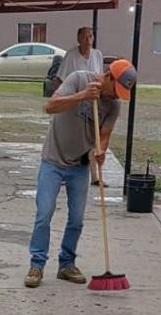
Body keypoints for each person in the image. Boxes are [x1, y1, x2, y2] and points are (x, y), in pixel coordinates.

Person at [24, 59, 137, 288]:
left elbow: (104, 135)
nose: (117, 97)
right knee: (44, 213)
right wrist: (82, 96)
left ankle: (66, 264)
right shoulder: (78, 79)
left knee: (76, 219)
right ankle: (37, 264)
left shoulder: (113, 106)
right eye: (116, 90)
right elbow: (50, 107)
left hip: (79, 166)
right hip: (53, 161)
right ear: (107, 76)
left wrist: (100, 150)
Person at [53, 27, 107, 187]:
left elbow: (101, 78)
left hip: (91, 104)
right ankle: (64, 171)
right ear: (78, 39)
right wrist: (64, 100)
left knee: (92, 138)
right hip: (74, 102)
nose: (88, 40)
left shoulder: (97, 55)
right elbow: (61, 80)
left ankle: (95, 176)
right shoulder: (71, 55)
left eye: (90, 36)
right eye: (85, 37)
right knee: (70, 139)